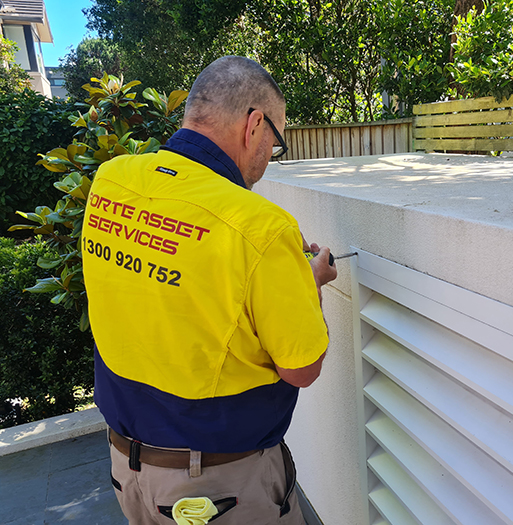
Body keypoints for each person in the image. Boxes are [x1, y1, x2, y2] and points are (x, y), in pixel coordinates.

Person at [82, 56, 337, 524]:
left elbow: (173, 278)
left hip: (128, 468)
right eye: (274, 143)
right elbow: (301, 368)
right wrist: (309, 281)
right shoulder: (259, 227)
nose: (268, 159)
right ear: (254, 124)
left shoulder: (110, 181)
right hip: (216, 490)